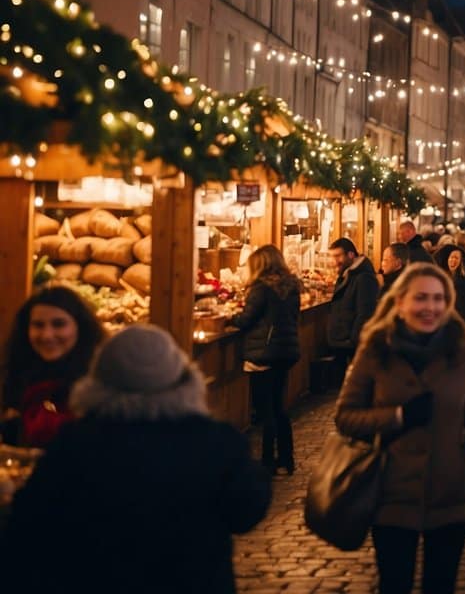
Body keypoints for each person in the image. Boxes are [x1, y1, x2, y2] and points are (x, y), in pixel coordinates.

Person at [3, 324, 271, 593]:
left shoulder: (74, 443)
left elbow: (32, 518)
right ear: (182, 379)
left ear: (98, 381)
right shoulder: (216, 441)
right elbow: (246, 511)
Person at [335, 263, 465, 594]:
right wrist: (397, 417)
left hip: (449, 491)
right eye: (421, 298)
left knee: (441, 585)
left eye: (439, 299)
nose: (430, 307)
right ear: (400, 303)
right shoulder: (376, 350)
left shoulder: (462, 351)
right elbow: (346, 416)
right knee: (395, 584)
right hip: (391, 491)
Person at [229, 244, 301, 475]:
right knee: (279, 407)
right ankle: (286, 459)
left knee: (265, 411)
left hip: (264, 353)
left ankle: (268, 461)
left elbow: (246, 320)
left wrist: (232, 317)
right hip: (285, 352)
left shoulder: (261, 289)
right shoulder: (291, 288)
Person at [1, 286, 104, 447]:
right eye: (38, 325)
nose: (47, 335)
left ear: (79, 327)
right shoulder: (15, 373)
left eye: (59, 324)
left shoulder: (100, 382)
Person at [327, 237, 381, 376]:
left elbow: (365, 312)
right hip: (344, 342)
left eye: (338, 256)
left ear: (351, 255)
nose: (334, 261)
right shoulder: (348, 274)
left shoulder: (364, 278)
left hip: (350, 344)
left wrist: (353, 340)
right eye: (332, 256)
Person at [437, 244, 465, 329]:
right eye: (451, 257)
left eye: (456, 258)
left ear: (461, 261)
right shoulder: (441, 276)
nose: (453, 260)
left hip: (459, 316)